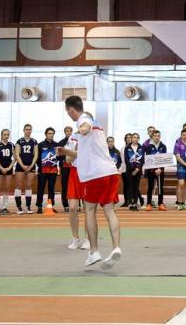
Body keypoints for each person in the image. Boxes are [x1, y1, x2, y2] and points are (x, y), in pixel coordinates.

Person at [60, 98, 122, 269]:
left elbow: (85, 126)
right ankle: (116, 247)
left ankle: (94, 251)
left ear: (71, 110)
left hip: (95, 175)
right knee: (109, 211)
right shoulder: (98, 126)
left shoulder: (84, 120)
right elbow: (82, 152)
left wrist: (82, 129)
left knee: (89, 210)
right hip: (110, 172)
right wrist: (66, 151)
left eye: (67, 112)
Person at [55, 131, 89, 251]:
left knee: (88, 208)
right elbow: (68, 159)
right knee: (73, 207)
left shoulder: (93, 137)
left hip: (88, 173)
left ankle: (88, 239)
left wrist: (74, 152)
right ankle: (75, 238)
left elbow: (91, 157)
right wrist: (76, 151)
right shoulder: (73, 138)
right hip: (75, 173)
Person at [14, 124, 38, 214]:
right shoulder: (19, 141)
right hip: (20, 166)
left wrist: (31, 165)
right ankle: (19, 207)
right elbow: (17, 154)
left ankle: (28, 207)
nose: (28, 131)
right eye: (27, 129)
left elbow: (36, 155)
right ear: (24, 130)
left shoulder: (34, 141)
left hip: (31, 166)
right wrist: (22, 165)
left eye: (30, 129)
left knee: (28, 185)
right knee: (18, 186)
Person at [36, 127, 59, 214]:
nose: (51, 135)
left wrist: (58, 156)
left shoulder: (57, 145)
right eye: (49, 133)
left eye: (52, 133)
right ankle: (39, 206)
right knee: (40, 188)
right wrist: (41, 166)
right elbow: (37, 158)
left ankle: (50, 206)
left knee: (51, 189)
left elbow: (59, 157)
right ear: (46, 134)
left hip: (53, 171)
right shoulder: (40, 145)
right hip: (43, 171)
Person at [0, 129, 16, 215]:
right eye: (5, 134)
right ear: (2, 135)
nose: (6, 136)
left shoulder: (11, 145)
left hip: (9, 168)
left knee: (7, 187)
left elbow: (15, 158)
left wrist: (10, 167)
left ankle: (4, 207)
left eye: (7, 135)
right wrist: (1, 168)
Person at [143, 130, 167, 211]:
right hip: (151, 171)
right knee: (150, 187)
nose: (157, 137)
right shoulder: (148, 147)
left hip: (160, 171)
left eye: (158, 136)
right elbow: (148, 159)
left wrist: (160, 169)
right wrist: (154, 169)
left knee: (160, 187)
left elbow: (164, 159)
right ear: (152, 137)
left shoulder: (163, 146)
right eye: (155, 136)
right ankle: (149, 203)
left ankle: (160, 203)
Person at [124, 133, 144, 210]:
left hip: (138, 171)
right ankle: (130, 203)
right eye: (134, 137)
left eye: (137, 137)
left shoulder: (141, 148)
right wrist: (132, 169)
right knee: (130, 187)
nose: (136, 139)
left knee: (136, 187)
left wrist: (137, 169)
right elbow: (126, 159)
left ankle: (135, 203)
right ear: (132, 138)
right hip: (129, 171)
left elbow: (142, 160)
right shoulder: (127, 148)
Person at [56, 126, 73, 213]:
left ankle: (77, 204)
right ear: (65, 132)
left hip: (73, 167)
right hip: (64, 167)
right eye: (67, 131)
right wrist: (65, 154)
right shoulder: (61, 143)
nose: (69, 133)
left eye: (70, 131)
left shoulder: (75, 142)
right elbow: (58, 157)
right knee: (65, 185)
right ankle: (65, 204)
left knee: (74, 185)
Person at [120, 134, 133, 208]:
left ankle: (133, 200)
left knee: (132, 186)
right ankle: (126, 201)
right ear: (125, 139)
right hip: (124, 170)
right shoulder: (123, 148)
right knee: (125, 186)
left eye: (130, 137)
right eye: (127, 138)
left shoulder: (134, 148)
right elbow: (122, 160)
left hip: (132, 170)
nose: (128, 139)